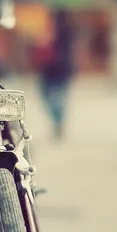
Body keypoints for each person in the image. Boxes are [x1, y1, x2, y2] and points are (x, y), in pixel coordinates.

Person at [33, 9, 75, 141]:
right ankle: (58, 122)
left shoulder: (64, 32)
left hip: (59, 70)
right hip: (48, 70)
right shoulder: (50, 30)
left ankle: (58, 123)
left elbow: (64, 54)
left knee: (56, 99)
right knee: (49, 98)